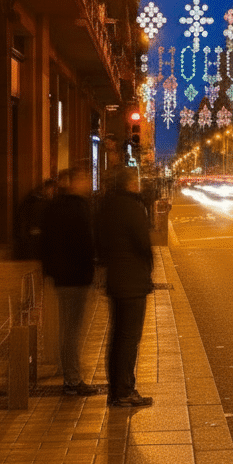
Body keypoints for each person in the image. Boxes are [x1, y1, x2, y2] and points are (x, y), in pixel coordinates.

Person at [96, 165, 154, 407]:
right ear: (131, 183)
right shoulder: (132, 207)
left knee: (117, 337)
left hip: (116, 280)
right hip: (132, 282)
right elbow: (143, 243)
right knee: (129, 338)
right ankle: (124, 390)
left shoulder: (107, 206)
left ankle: (115, 389)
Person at [40, 167, 98, 397]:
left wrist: (51, 271)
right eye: (83, 178)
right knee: (72, 328)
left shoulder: (57, 206)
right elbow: (83, 243)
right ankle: (72, 379)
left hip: (64, 276)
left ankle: (68, 372)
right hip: (75, 277)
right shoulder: (76, 208)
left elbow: (47, 243)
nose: (86, 181)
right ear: (72, 182)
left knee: (69, 327)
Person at [13, 178, 55, 261]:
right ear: (47, 188)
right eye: (52, 190)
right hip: (31, 237)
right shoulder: (38, 202)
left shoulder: (35, 199)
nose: (52, 193)